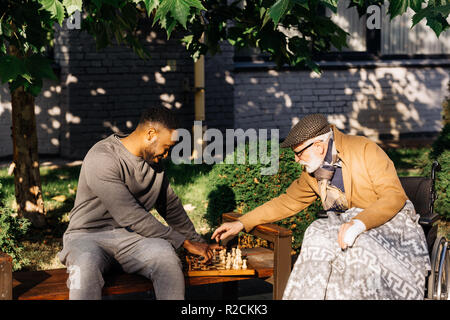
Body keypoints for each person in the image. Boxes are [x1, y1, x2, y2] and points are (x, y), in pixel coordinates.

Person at [212, 113, 431, 300]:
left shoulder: (364, 149)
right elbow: (287, 202)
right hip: (347, 226)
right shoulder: (314, 172)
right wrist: (242, 222)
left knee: (356, 246)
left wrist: (359, 223)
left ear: (319, 146)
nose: (297, 160)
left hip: (389, 222)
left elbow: (394, 196)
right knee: (316, 232)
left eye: (299, 154)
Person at [58, 106, 216, 300]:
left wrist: (199, 244)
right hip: (87, 236)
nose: (167, 155)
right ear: (150, 134)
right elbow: (130, 215)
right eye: (166, 148)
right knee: (85, 265)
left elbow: (170, 206)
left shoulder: (155, 164)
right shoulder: (102, 157)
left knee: (166, 257)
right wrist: (183, 242)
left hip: (132, 239)